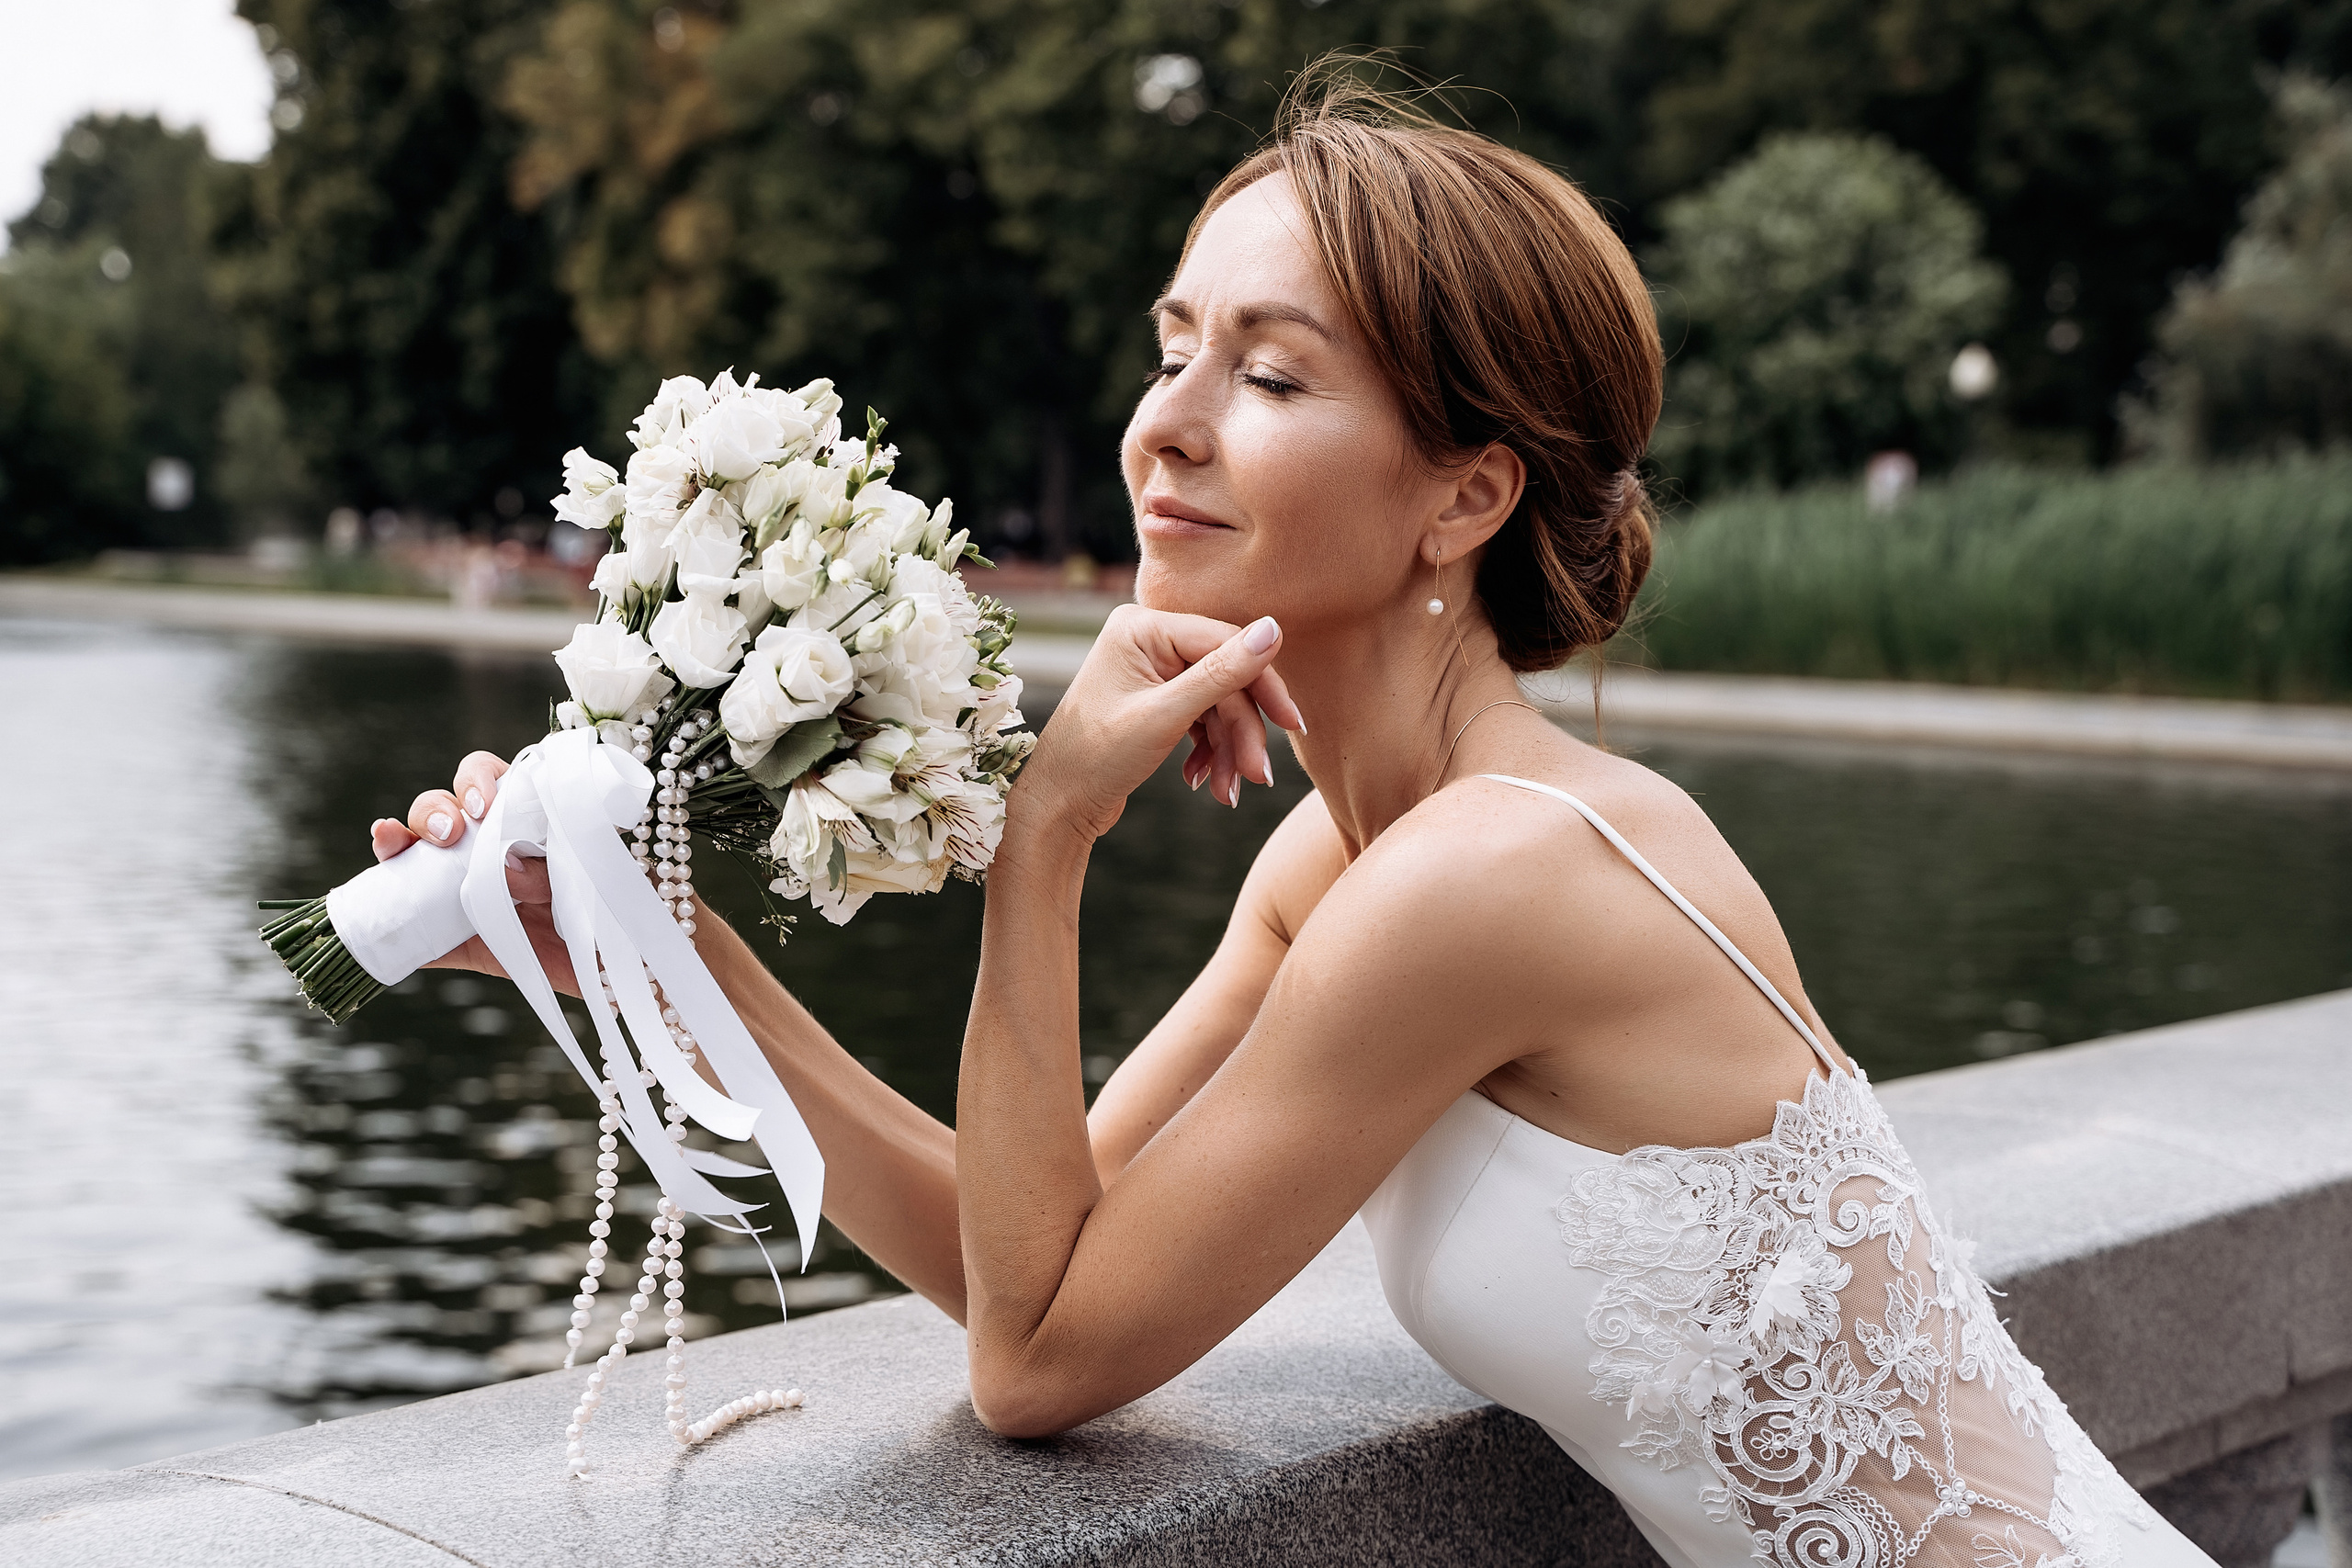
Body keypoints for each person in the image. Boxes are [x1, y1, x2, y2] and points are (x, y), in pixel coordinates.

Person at [372, 68, 2217, 1568]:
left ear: (1460, 495)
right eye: (1170, 345)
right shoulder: (1343, 855)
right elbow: (1026, 1244)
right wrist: (642, 947)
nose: (1164, 422)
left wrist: (1045, 842)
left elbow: (1030, 1361)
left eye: (1266, 374)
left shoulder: (1497, 870)